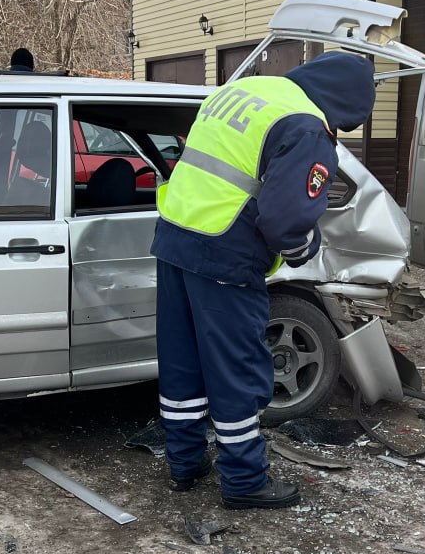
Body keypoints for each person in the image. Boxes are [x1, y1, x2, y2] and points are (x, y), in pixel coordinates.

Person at [151, 52, 375, 510]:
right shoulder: (306, 125)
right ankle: (244, 480)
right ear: (343, 106)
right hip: (224, 253)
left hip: (174, 237)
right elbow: (286, 219)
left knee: (182, 361)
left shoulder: (243, 91)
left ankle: (185, 464)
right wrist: (302, 251)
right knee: (236, 368)